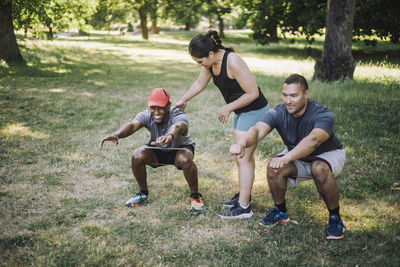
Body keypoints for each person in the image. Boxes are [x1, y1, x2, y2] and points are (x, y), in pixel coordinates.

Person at [230, 74, 346, 239]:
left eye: (294, 95)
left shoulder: (323, 114)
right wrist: (242, 143)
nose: (288, 101)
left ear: (306, 94)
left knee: (318, 168)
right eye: (285, 95)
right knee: (274, 168)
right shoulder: (278, 112)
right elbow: (257, 129)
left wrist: (286, 157)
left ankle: (335, 218)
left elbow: (313, 141)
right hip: (297, 156)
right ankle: (280, 211)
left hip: (327, 154)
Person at [175, 30, 269, 218]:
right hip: (240, 110)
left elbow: (253, 93)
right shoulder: (210, 63)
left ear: (210, 54)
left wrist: (228, 108)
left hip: (254, 110)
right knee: (241, 157)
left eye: (200, 62)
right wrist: (184, 100)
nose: (200, 65)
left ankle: (244, 208)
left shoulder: (232, 61)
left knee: (243, 157)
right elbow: (199, 83)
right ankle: (245, 196)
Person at [99, 88, 204, 211]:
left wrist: (169, 136)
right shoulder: (147, 115)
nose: (156, 111)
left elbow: (177, 126)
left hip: (179, 149)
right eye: (152, 107)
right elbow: (132, 125)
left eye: (160, 107)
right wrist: (116, 135)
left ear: (169, 105)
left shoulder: (178, 114)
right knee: (137, 155)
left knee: (185, 159)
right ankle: (143, 193)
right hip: (158, 148)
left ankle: (195, 196)